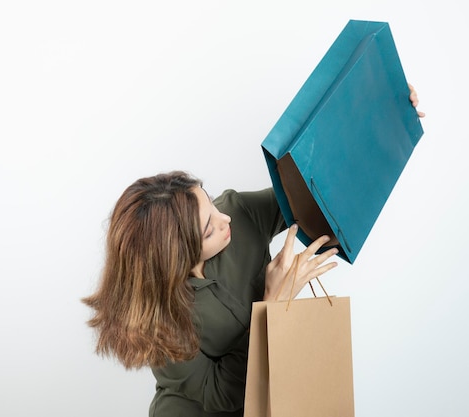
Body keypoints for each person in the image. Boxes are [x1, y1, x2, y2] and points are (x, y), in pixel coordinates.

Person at [82, 86, 424, 416]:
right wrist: (271, 306)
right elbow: (221, 392)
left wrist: (383, 114)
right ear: (175, 255)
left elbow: (316, 195)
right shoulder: (151, 320)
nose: (224, 216)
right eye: (208, 227)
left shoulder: (236, 212)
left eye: (210, 202)